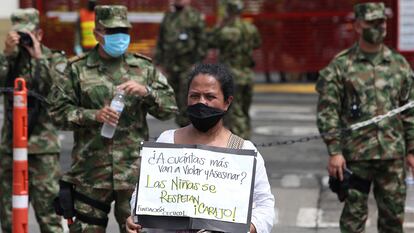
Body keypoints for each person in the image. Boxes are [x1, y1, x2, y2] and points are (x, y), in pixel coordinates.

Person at [48, 5, 177, 232]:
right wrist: (92, 115)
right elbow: (56, 113)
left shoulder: (143, 68)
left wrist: (147, 92)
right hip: (90, 173)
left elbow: (170, 109)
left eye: (124, 31)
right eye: (112, 31)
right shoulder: (76, 69)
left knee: (138, 230)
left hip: (134, 174)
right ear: (97, 32)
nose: (120, 36)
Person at [125, 63, 275, 233]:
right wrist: (137, 216)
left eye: (210, 97)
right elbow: (144, 194)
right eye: (194, 96)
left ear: (227, 102)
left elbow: (264, 205)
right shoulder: (167, 141)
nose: (201, 103)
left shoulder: (243, 151)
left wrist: (251, 227)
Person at [316, 2, 414, 233]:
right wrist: (335, 151)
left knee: (393, 221)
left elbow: (409, 110)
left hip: (392, 156)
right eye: (372, 22)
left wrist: (412, 149)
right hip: (355, 157)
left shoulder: (398, 65)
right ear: (358, 25)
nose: (378, 27)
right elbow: (327, 111)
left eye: (382, 22)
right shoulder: (341, 66)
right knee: (353, 221)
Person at [0, 8, 66, 233]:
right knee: (10, 215)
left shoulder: (54, 58)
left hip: (43, 148)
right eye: (19, 34)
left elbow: (58, 91)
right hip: (11, 147)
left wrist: (39, 57)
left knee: (48, 213)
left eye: (28, 34)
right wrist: (7, 54)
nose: (24, 40)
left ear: (39, 34)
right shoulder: (10, 59)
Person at [207, 0, 261, 139]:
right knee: (244, 110)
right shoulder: (251, 28)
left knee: (235, 113)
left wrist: (220, 24)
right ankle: (246, 138)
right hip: (247, 75)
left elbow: (210, 41)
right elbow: (257, 44)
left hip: (231, 76)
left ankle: (241, 143)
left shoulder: (225, 31)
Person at [154, 0, 207, 127]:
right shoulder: (168, 17)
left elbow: (203, 41)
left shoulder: (195, 16)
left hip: (188, 67)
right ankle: (182, 129)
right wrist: (159, 63)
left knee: (187, 100)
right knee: (174, 100)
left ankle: (190, 129)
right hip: (170, 68)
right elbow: (161, 41)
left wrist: (197, 63)